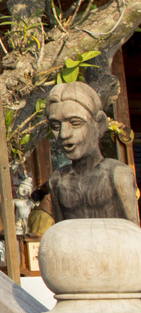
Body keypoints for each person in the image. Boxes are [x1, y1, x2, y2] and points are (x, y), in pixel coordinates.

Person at [46, 81, 140, 226]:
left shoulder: (117, 174)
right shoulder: (57, 180)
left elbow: (133, 231)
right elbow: (61, 231)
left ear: (100, 124)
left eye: (75, 123)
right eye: (56, 126)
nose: (64, 134)